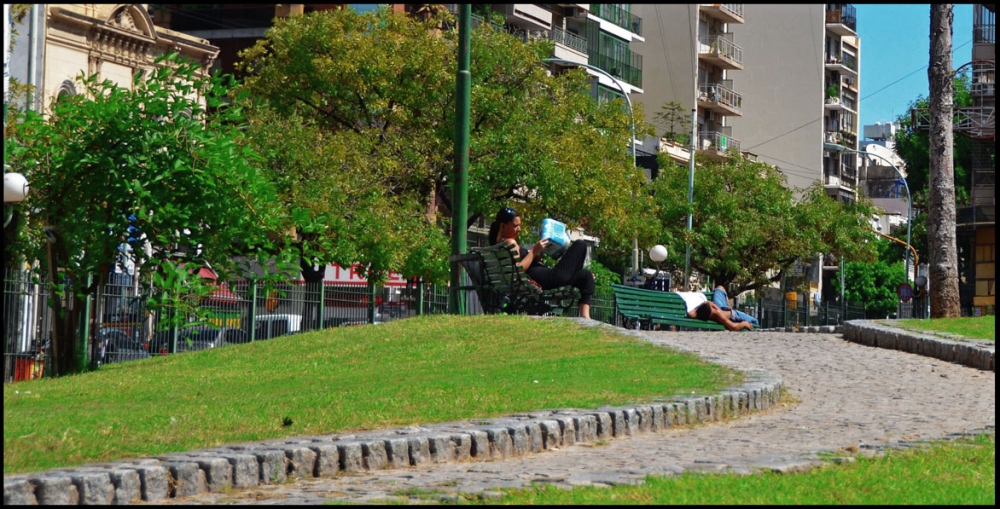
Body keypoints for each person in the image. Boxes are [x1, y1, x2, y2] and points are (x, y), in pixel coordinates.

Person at [488, 207, 596, 319]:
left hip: (546, 279)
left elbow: (524, 266)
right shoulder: (510, 242)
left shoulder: (499, 244)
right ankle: (585, 317)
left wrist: (539, 253)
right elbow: (518, 270)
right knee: (580, 245)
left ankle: (585, 317)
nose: (519, 229)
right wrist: (534, 250)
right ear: (503, 226)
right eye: (516, 226)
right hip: (550, 279)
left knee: (586, 275)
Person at [676, 285, 759, 331]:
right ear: (713, 310)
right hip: (734, 315)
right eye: (712, 305)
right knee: (755, 321)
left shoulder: (695, 313)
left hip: (721, 308)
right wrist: (743, 324)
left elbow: (692, 311)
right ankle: (730, 308)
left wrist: (709, 304)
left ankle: (728, 307)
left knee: (720, 288)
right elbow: (733, 327)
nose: (711, 303)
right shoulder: (718, 314)